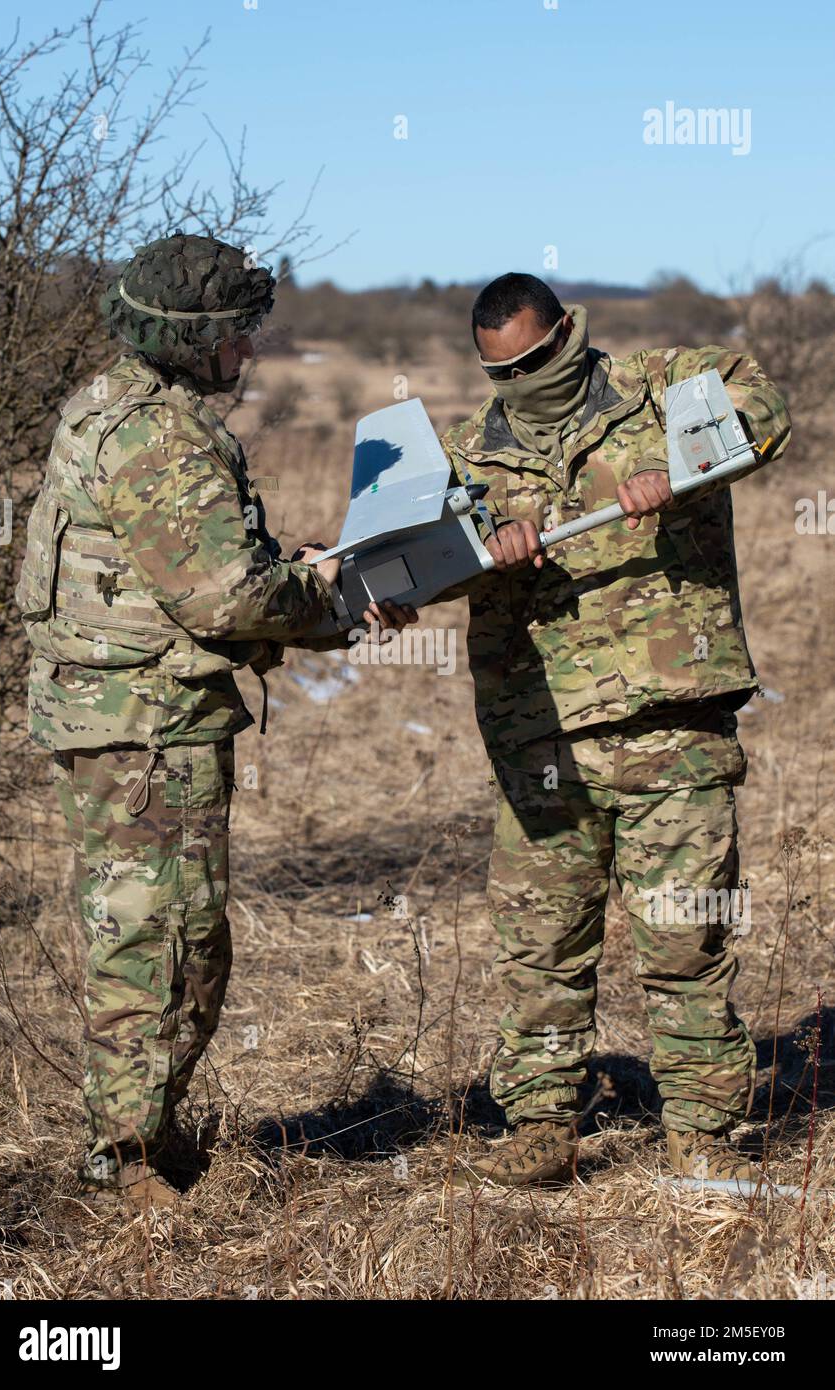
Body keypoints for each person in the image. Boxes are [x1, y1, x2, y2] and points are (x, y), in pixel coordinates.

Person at [16, 233, 415, 1207]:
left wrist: (307, 571)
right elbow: (225, 598)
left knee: (150, 934)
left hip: (119, 714)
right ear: (190, 341)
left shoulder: (112, 405)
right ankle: (127, 1160)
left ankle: (136, 1137)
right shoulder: (164, 432)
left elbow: (187, 571)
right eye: (239, 334)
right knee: (166, 945)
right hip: (147, 725)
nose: (251, 350)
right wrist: (334, 607)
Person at [439, 273, 790, 1189]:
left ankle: (705, 1137)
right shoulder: (464, 453)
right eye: (499, 371)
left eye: (534, 360)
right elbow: (413, 561)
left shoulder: (670, 383)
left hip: (671, 730)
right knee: (542, 950)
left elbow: (764, 409)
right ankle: (543, 1127)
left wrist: (681, 468)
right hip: (540, 739)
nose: (519, 380)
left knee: (686, 942)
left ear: (567, 332)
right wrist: (486, 546)